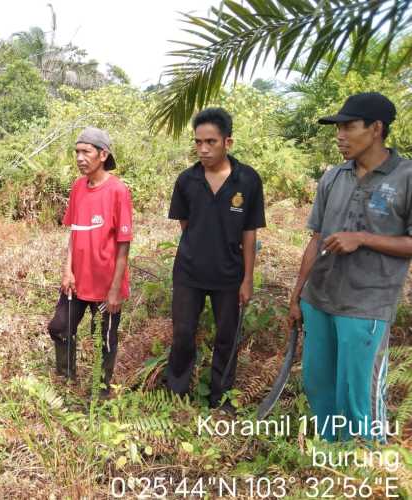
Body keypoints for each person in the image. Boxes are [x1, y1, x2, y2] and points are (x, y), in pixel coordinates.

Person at [288, 92, 411, 442]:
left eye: (348, 127)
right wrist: (297, 297)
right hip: (320, 298)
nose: (340, 135)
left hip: (367, 305)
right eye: (338, 128)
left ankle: (366, 466)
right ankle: (333, 457)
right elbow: (316, 239)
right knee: (318, 385)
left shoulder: (406, 176)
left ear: (376, 129)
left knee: (359, 396)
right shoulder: (333, 177)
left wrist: (363, 238)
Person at [164, 108, 265, 413]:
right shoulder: (187, 180)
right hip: (189, 273)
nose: (204, 149)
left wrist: (247, 278)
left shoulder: (247, 180)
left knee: (226, 338)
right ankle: (176, 394)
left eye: (211, 142)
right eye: (198, 142)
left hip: (229, 275)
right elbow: (186, 227)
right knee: (182, 335)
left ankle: (221, 400)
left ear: (228, 142)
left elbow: (250, 232)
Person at [47, 127, 133, 398]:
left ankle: (101, 391)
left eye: (86, 152)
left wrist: (115, 289)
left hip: (106, 283)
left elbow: (123, 244)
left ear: (103, 154)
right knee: (59, 327)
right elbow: (75, 231)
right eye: (77, 152)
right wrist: (67, 270)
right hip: (77, 280)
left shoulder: (118, 191)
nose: (80, 158)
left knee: (103, 340)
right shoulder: (78, 187)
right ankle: (66, 377)